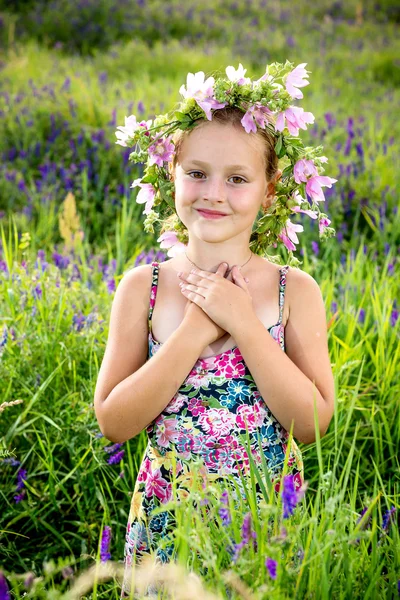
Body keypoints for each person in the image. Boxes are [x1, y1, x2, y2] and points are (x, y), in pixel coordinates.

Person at [94, 62, 336, 598]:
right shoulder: (144, 288)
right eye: (196, 172)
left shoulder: (293, 291)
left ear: (270, 191)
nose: (213, 193)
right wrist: (196, 331)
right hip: (167, 525)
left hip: (263, 524)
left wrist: (244, 324)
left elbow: (313, 423)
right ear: (170, 173)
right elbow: (113, 421)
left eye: (238, 179)